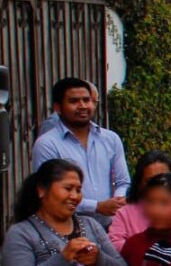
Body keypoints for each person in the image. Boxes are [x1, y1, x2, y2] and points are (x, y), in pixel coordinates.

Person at [32, 78, 130, 227]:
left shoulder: (111, 139)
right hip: (67, 230)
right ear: (58, 108)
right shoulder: (47, 144)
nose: (83, 106)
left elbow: (123, 181)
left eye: (86, 100)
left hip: (110, 228)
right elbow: (50, 193)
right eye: (74, 101)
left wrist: (117, 201)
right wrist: (96, 206)